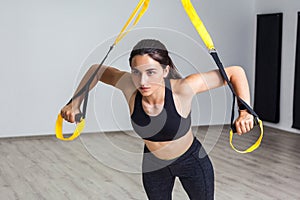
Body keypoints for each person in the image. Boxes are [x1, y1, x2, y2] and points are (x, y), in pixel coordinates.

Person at [60, 39, 254, 200]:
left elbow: (235, 72)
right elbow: (98, 70)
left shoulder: (183, 88)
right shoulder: (129, 86)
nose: (142, 81)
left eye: (151, 72)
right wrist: (75, 103)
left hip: (191, 161)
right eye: (136, 72)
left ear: (165, 70)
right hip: (153, 165)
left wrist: (244, 111)